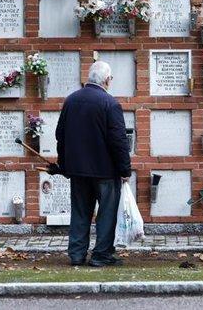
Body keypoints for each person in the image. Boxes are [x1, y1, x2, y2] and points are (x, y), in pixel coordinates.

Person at [53, 60, 132, 267]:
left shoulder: (71, 101)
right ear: (107, 80)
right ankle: (101, 255)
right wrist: (125, 169)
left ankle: (76, 255)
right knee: (106, 214)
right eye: (110, 78)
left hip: (78, 171)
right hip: (105, 171)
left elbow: (60, 135)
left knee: (80, 213)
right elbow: (118, 140)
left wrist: (64, 165)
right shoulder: (110, 104)